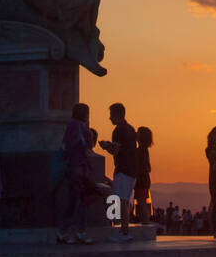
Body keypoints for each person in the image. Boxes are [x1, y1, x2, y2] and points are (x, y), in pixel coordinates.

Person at [60, 102, 103, 244]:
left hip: (72, 167)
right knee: (85, 199)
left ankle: (63, 232)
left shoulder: (70, 126)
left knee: (72, 201)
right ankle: (81, 231)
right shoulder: (79, 126)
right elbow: (88, 144)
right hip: (79, 168)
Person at [100, 103, 138, 242]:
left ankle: (124, 232)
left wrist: (105, 147)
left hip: (123, 169)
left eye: (111, 115)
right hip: (132, 170)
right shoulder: (130, 129)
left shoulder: (118, 130)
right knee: (125, 201)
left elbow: (116, 151)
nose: (109, 118)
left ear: (117, 114)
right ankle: (124, 230)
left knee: (120, 201)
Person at [134, 126, 154, 224]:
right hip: (144, 180)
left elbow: (141, 166)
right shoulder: (144, 150)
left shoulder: (140, 150)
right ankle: (145, 221)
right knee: (141, 202)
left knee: (141, 202)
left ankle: (146, 221)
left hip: (141, 180)